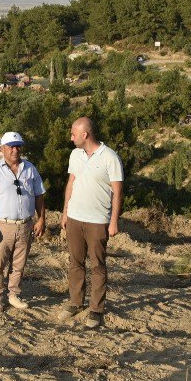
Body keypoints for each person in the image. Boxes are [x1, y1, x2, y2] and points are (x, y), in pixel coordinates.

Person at [58, 117, 124, 329]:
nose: (71, 137)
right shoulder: (75, 155)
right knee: (75, 263)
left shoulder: (110, 157)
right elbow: (71, 183)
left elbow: (118, 192)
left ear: (85, 135)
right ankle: (76, 302)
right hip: (75, 218)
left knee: (97, 265)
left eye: (73, 133)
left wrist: (113, 222)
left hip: (97, 221)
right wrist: (65, 212)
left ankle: (96, 309)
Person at [0, 132, 46, 313]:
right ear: (2, 149)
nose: (15, 150)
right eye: (11, 147)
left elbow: (39, 196)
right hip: (2, 226)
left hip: (25, 224)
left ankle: (14, 294)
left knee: (19, 265)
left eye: (18, 146)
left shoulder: (30, 168)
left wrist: (41, 219)